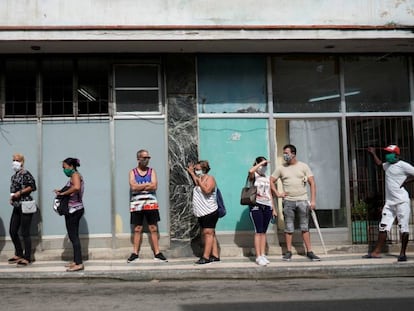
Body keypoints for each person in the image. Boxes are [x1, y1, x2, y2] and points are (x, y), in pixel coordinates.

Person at [364, 145, 414, 262]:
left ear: (396, 154)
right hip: (390, 203)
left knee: (403, 227)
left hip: (402, 202)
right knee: (383, 226)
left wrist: (406, 182)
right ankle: (376, 252)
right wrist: (373, 153)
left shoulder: (403, 165)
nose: (387, 155)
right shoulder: (387, 165)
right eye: (386, 153)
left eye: (389, 153)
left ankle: (402, 253)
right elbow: (379, 164)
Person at [270, 144, 320, 262]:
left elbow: (312, 183)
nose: (285, 155)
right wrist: (277, 193)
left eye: (287, 153)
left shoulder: (303, 166)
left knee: (305, 227)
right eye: (284, 153)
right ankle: (288, 252)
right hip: (288, 201)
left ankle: (309, 251)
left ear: (293, 154)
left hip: (303, 200)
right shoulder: (281, 168)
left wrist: (313, 200)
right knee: (289, 227)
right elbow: (271, 181)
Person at [127, 149, 167, 263]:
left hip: (151, 204)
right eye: (144, 158)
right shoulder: (132, 172)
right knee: (137, 229)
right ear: (138, 159)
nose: (147, 160)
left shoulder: (152, 171)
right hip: (137, 205)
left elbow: (154, 186)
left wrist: (141, 186)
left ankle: (157, 252)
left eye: (148, 158)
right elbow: (133, 187)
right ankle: (135, 253)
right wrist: (147, 185)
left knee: (153, 228)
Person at [54, 157, 85, 272]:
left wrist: (63, 194)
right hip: (73, 209)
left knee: (74, 236)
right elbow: (72, 188)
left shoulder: (75, 175)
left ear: (71, 166)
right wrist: (61, 191)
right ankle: (76, 260)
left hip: (74, 210)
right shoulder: (73, 176)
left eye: (64, 167)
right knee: (73, 236)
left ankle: (79, 263)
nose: (64, 170)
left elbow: (76, 188)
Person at [187, 160, 220, 265]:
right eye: (196, 169)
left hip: (210, 211)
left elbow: (207, 190)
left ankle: (205, 257)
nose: (197, 172)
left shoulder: (210, 179)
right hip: (201, 212)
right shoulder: (199, 179)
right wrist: (191, 173)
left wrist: (200, 181)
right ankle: (215, 255)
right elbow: (196, 181)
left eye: (198, 169)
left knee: (208, 233)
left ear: (204, 169)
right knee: (210, 233)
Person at [8, 153, 37, 267]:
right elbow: (14, 189)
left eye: (17, 160)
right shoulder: (14, 175)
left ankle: (27, 257)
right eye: (14, 160)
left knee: (25, 232)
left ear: (22, 162)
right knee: (12, 231)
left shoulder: (26, 173)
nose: (15, 162)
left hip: (25, 205)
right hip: (16, 205)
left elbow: (32, 186)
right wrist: (12, 198)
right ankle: (19, 253)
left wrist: (19, 193)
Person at [248, 156, 277, 266]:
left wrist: (273, 208)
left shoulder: (267, 177)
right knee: (258, 231)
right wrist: (260, 163)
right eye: (262, 165)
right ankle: (258, 256)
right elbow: (250, 171)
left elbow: (269, 193)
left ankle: (263, 254)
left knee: (264, 232)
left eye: (265, 165)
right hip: (256, 205)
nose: (264, 167)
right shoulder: (254, 175)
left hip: (267, 205)